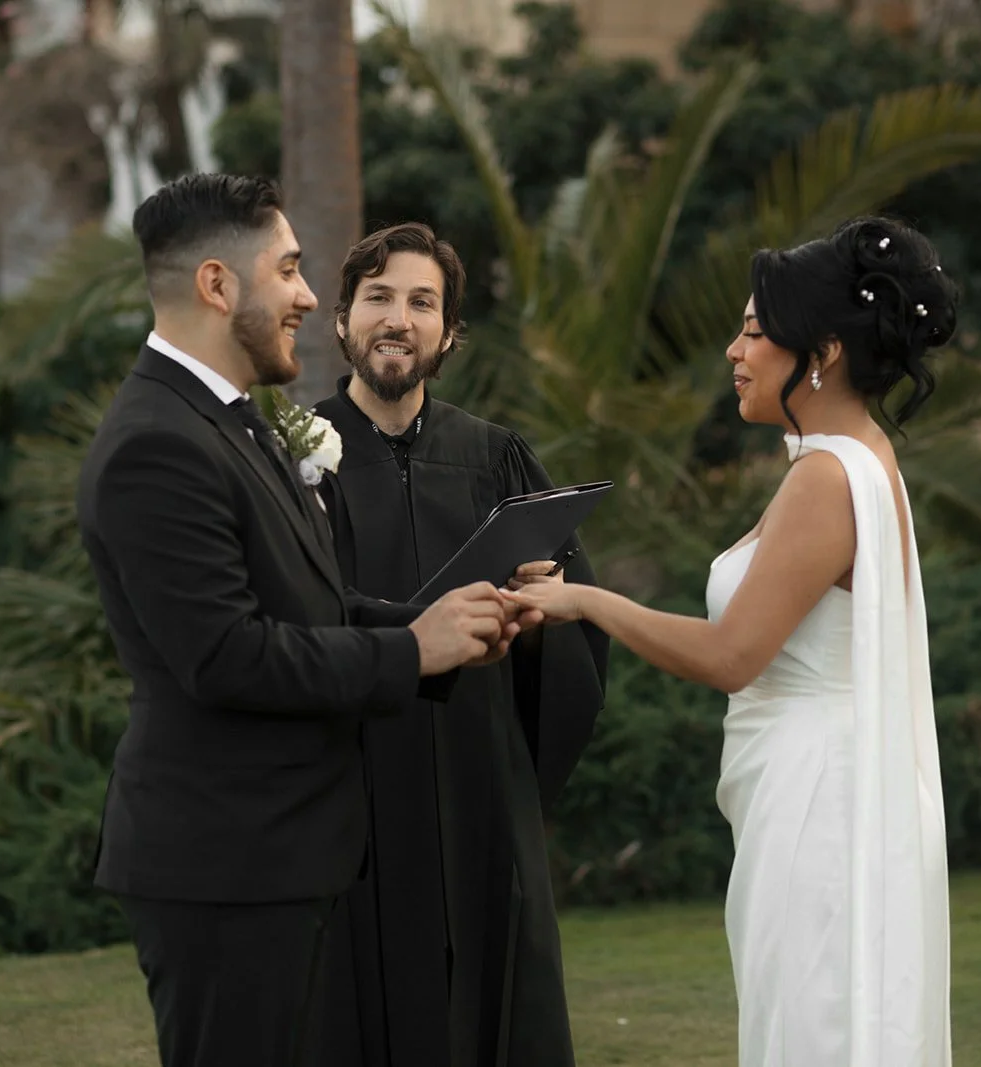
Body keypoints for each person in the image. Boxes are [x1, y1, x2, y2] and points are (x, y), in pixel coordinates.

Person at [75, 175, 537, 1067]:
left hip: (284, 857)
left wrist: (442, 624)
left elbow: (310, 599)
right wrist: (409, 651)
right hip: (225, 864)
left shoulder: (234, 423)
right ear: (218, 285)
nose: (307, 295)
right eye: (288, 270)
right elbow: (229, 656)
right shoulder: (156, 444)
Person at [507, 216, 956, 1066]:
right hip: (814, 777)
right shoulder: (850, 457)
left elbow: (730, 655)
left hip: (819, 801)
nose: (732, 350)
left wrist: (585, 601)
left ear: (818, 351)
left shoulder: (827, 477)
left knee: (812, 1019)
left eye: (754, 331)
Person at [306, 222, 609, 1067]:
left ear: (449, 334)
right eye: (378, 297)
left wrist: (540, 623)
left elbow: (576, 624)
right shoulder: (292, 459)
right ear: (341, 320)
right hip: (353, 790)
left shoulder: (497, 459)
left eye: (421, 301)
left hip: (477, 784)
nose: (398, 318)